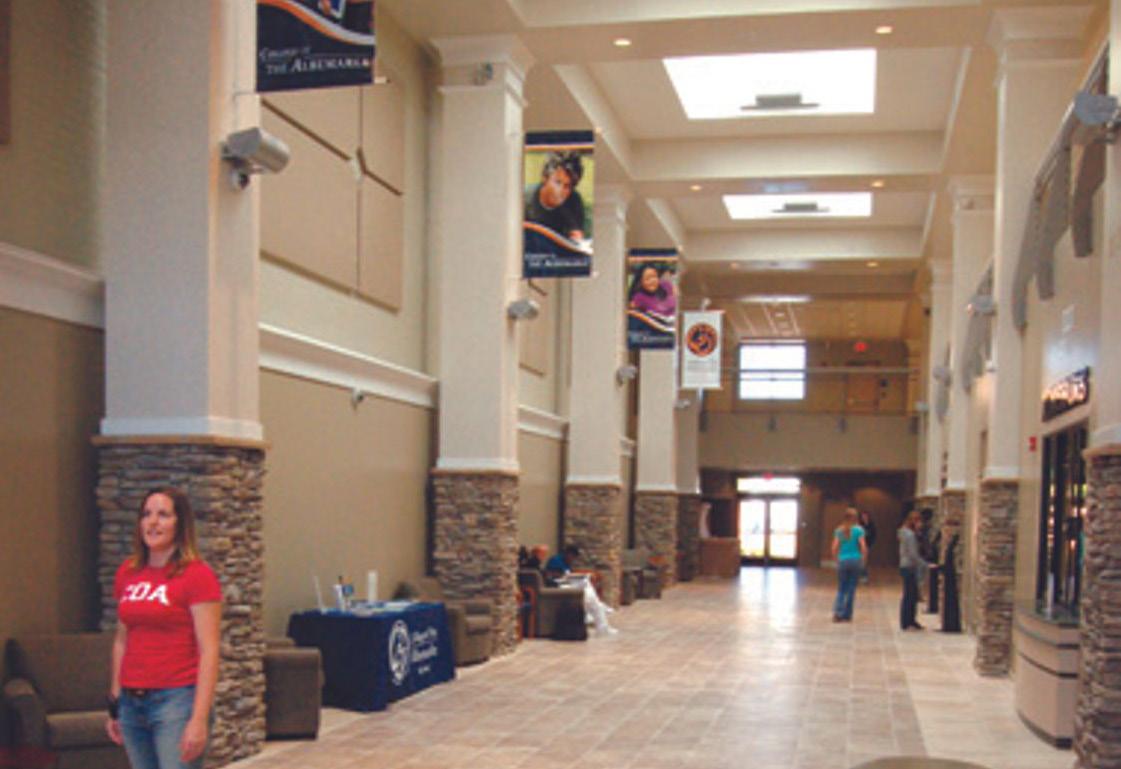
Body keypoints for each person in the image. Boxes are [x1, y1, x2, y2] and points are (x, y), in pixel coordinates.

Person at [106, 487, 222, 769]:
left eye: (163, 515)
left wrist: (198, 718)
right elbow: (122, 640)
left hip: (176, 700)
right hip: (131, 702)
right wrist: (115, 702)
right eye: (146, 514)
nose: (153, 522)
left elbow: (209, 650)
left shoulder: (197, 575)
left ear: (180, 523)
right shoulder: (128, 572)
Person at [543, 544, 616, 635]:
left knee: (588, 587)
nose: (573, 559)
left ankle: (599, 614)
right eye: (573, 557)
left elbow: (567, 574)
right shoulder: (555, 561)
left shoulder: (566, 562)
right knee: (590, 595)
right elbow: (551, 575)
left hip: (567, 583)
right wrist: (565, 576)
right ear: (568, 553)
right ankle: (598, 616)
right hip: (559, 585)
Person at [524, 151, 586, 242]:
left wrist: (576, 236)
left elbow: (576, 237)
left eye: (567, 186)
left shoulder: (574, 202)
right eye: (557, 182)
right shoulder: (522, 200)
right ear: (545, 178)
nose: (560, 190)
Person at [831, 507, 867, 622]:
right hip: (855, 560)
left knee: (841, 588)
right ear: (856, 518)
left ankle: (838, 612)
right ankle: (847, 614)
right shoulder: (859, 530)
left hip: (843, 560)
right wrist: (863, 559)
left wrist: (836, 559)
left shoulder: (839, 530)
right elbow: (863, 546)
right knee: (852, 588)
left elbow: (834, 547)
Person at [898, 510, 927, 630]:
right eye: (919, 522)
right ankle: (907, 621)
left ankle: (910, 620)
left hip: (905, 565)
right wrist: (924, 564)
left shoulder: (905, 533)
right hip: (910, 566)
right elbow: (913, 554)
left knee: (911, 594)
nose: (921, 525)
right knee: (910, 595)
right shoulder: (910, 535)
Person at [858, 509, 877, 583]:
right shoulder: (860, 525)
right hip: (859, 545)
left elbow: (874, 535)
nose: (864, 517)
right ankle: (859, 575)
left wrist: (871, 544)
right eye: (863, 516)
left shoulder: (871, 525)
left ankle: (864, 576)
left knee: (864, 561)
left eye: (865, 516)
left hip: (867, 544)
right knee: (860, 560)